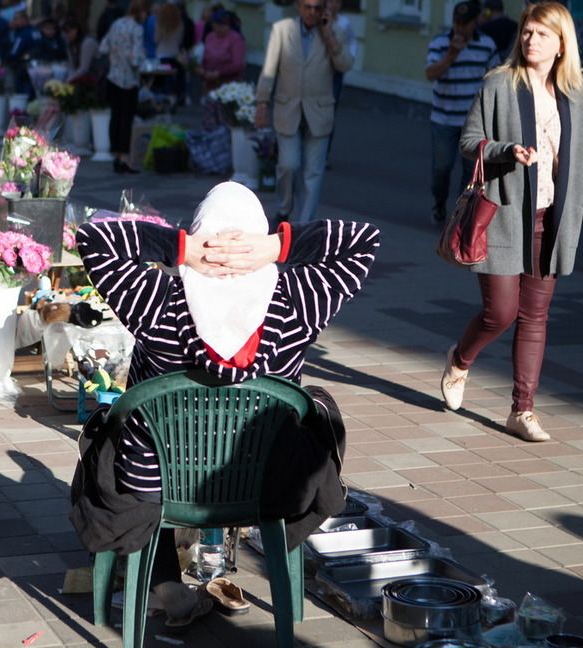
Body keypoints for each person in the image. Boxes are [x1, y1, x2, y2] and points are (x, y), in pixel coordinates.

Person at [72, 181, 380, 590]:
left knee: (126, 419)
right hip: (269, 483)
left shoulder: (157, 301)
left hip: (160, 486)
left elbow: (93, 237)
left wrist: (184, 249)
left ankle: (162, 581)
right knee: (315, 406)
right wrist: (277, 247)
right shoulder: (297, 302)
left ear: (200, 233)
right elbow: (363, 241)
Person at [441, 2, 583, 443]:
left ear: (561, 44)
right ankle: (460, 358)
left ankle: (522, 410)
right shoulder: (498, 83)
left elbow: (581, 159)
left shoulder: (575, 95)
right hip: (504, 214)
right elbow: (468, 141)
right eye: (527, 32)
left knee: (535, 316)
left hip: (553, 218)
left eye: (541, 34)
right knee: (501, 312)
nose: (531, 40)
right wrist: (505, 150)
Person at [254, 0, 353, 225]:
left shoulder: (335, 32)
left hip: (319, 113)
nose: (312, 12)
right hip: (287, 108)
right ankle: (284, 207)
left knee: (313, 173)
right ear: (298, 7)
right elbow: (269, 71)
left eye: (317, 8)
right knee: (288, 164)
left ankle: (304, 224)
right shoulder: (282, 30)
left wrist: (329, 37)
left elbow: (346, 64)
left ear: (324, 10)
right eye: (307, 6)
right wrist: (261, 103)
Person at [424, 1, 499, 226]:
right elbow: (430, 74)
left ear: (475, 22)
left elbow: (494, 78)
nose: (460, 28)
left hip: (472, 123)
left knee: (469, 173)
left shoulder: (486, 45)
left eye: (465, 23)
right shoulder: (440, 43)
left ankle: (459, 217)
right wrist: (451, 54)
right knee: (441, 169)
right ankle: (439, 202)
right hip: (444, 119)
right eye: (457, 22)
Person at [99, 0, 147, 174]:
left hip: (114, 77)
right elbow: (135, 59)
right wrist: (142, 61)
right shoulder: (137, 28)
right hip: (129, 80)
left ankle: (116, 156)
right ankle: (125, 159)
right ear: (140, 12)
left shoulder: (116, 24)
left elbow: (103, 47)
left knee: (115, 117)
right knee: (126, 119)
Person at [200, 8, 244, 92]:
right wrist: (202, 69)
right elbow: (204, 57)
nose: (218, 28)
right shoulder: (210, 37)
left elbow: (237, 64)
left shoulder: (236, 39)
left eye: (222, 25)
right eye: (215, 25)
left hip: (229, 84)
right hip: (209, 82)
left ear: (229, 25)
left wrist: (219, 73)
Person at [153, 1, 187, 105]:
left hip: (162, 55)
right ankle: (177, 96)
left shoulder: (160, 24)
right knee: (176, 77)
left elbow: (156, 39)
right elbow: (180, 41)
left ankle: (167, 98)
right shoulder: (180, 24)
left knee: (164, 79)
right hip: (175, 55)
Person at [63, 18, 98, 83]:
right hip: (81, 75)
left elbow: (84, 68)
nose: (67, 35)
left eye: (69, 31)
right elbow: (72, 65)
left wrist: (68, 80)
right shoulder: (70, 43)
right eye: (65, 32)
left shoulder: (87, 42)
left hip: (94, 76)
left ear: (76, 29)